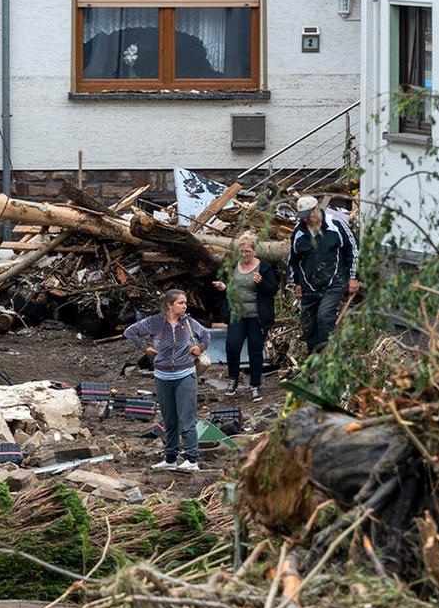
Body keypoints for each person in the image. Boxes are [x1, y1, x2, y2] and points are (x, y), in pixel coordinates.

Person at [122, 289, 210, 472]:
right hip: (162, 377)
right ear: (170, 305)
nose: (185, 306)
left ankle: (192, 459)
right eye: (181, 303)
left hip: (185, 375)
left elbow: (206, 335)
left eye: (185, 303)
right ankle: (170, 458)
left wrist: (200, 347)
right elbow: (130, 332)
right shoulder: (155, 322)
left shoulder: (188, 323)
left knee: (186, 419)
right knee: (169, 420)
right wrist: (145, 347)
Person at [211, 232, 280, 400]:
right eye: (242, 251)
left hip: (256, 315)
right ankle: (233, 378)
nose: (244, 254)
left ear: (255, 251)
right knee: (232, 346)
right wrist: (223, 286)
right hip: (237, 313)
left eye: (248, 251)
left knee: (255, 350)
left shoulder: (264, 268)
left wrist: (261, 283)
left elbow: (272, 290)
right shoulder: (234, 266)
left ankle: (255, 385)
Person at [291, 195, 356, 355]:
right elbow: (293, 259)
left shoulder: (335, 224)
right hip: (309, 285)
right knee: (308, 325)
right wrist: (297, 282)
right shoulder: (299, 232)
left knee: (324, 317)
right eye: (302, 217)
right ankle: (315, 361)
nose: (305, 219)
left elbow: (352, 250)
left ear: (316, 209)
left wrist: (353, 277)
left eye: (308, 215)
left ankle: (331, 358)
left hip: (334, 281)